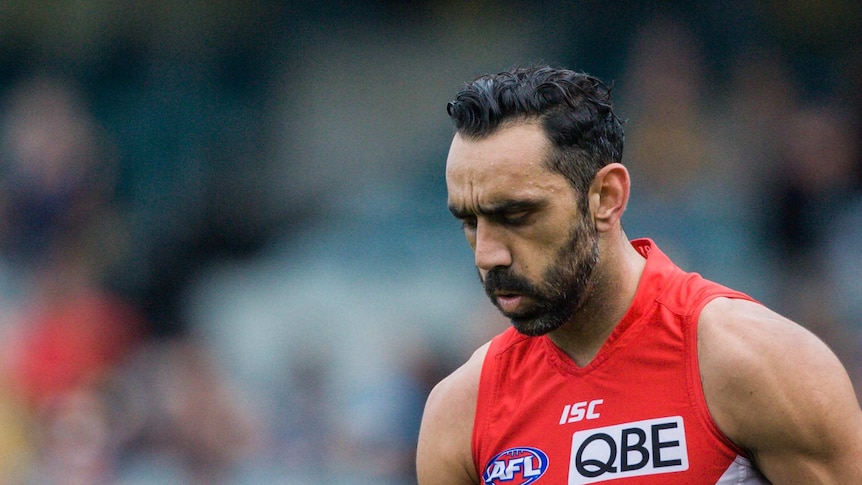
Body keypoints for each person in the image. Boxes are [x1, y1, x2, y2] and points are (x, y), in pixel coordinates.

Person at [416, 66, 862, 484]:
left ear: (606, 197)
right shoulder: (460, 411)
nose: (488, 255)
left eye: (516, 214)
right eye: (470, 222)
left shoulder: (757, 363)